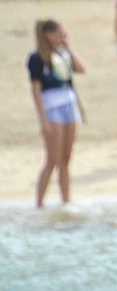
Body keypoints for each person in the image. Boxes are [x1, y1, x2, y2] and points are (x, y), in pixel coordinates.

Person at [28, 20, 84, 209]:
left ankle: (66, 199)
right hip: (52, 107)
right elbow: (36, 90)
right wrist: (43, 120)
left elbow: (81, 69)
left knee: (66, 158)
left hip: (69, 103)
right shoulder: (37, 58)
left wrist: (69, 47)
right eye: (58, 33)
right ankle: (40, 202)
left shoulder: (63, 53)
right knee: (52, 158)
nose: (62, 36)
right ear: (48, 34)